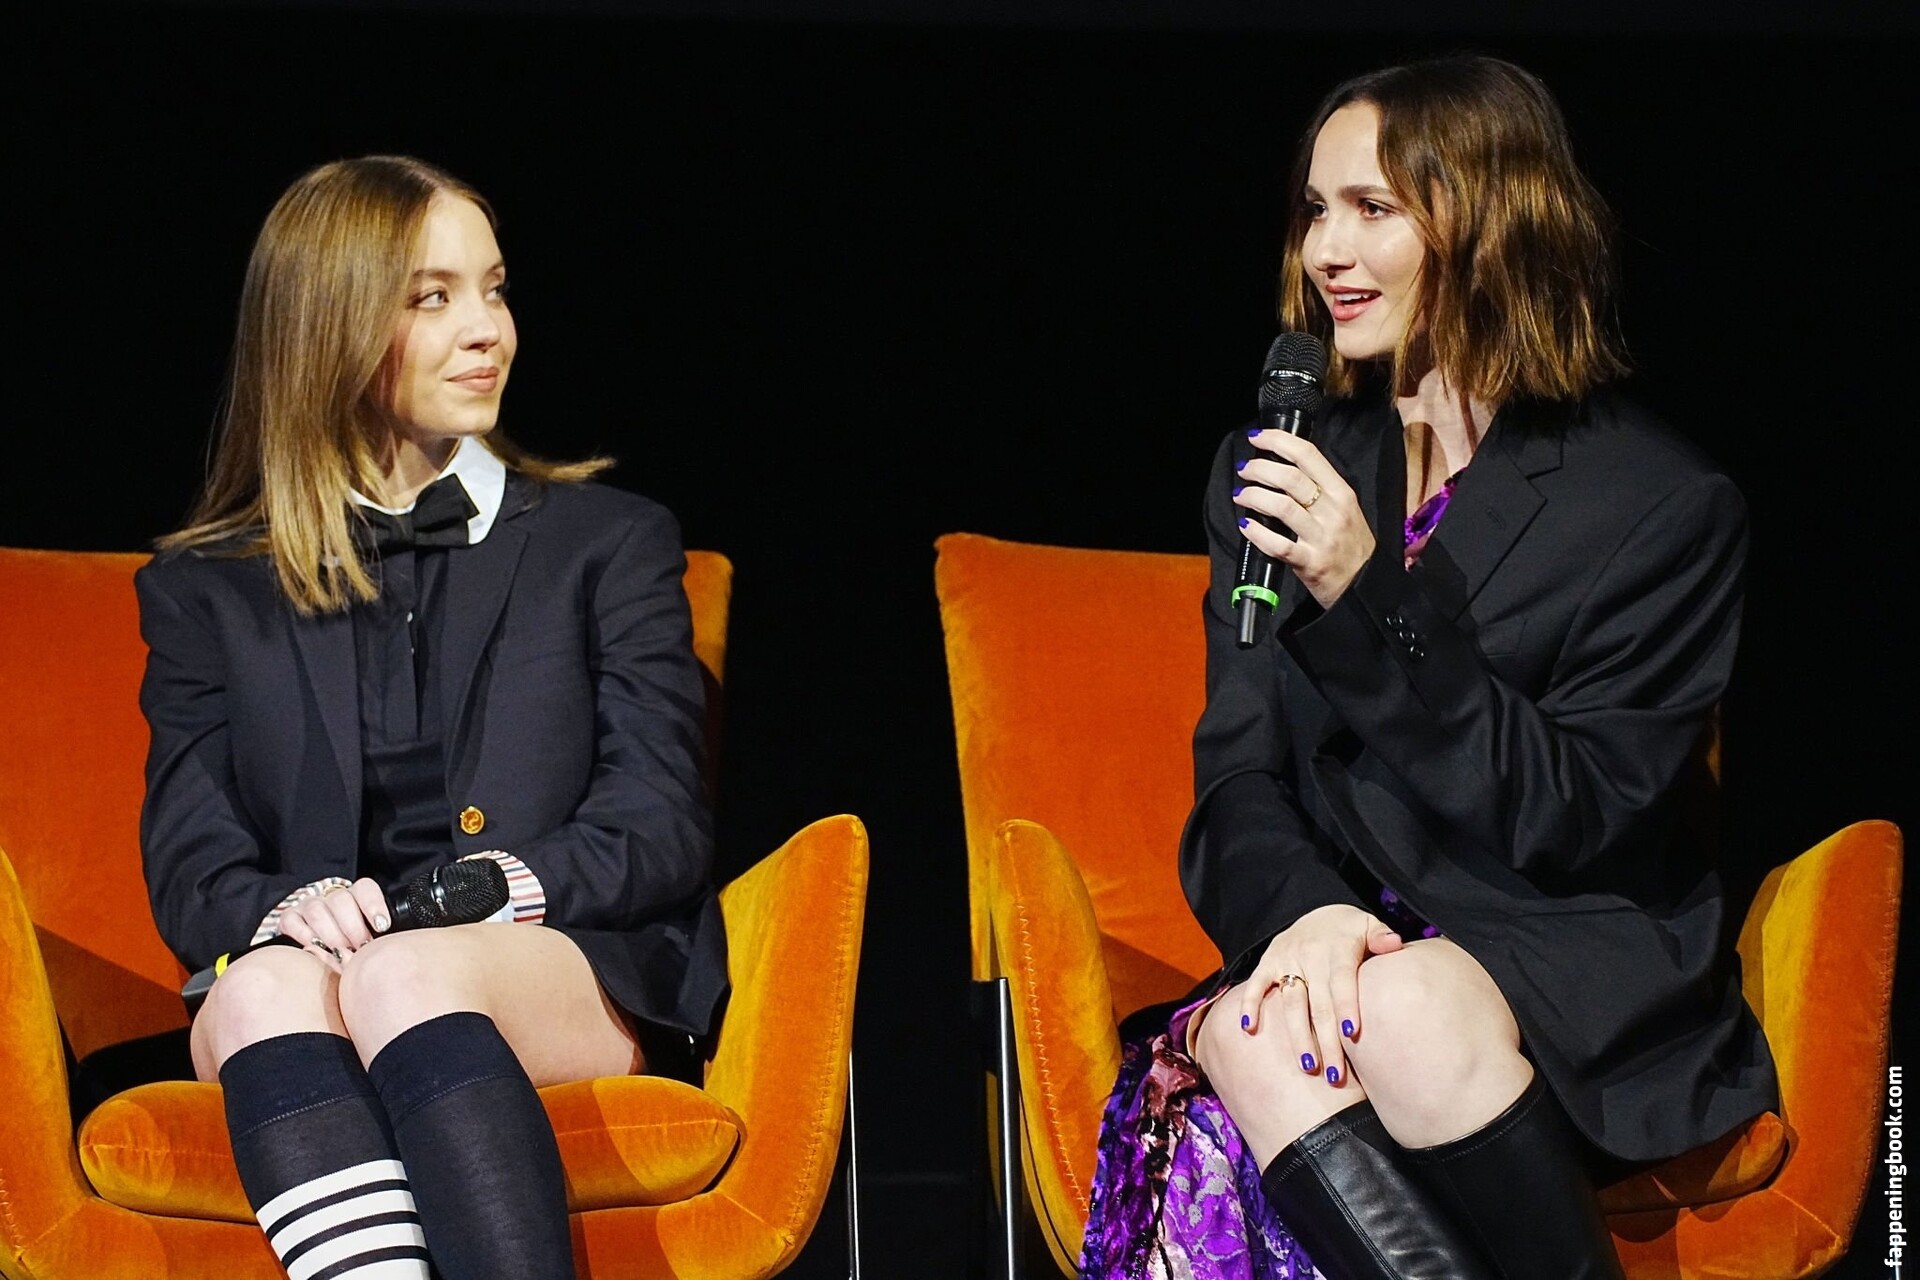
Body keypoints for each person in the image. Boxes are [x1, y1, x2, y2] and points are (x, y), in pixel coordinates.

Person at [1080, 57, 1778, 1280]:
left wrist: (1369, 593)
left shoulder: (1658, 504)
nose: (1326, 251)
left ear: (1494, 224)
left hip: (1563, 933)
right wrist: (1308, 913)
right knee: (1255, 1027)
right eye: (1315, 209)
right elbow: (1236, 770)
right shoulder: (1280, 459)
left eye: (1373, 209)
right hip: (1354, 933)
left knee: (1392, 1010)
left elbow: (1580, 812)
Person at [137, 155, 725, 1280]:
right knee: (258, 983)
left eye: (493, 289)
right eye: (432, 297)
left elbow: (657, 825)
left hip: (554, 954)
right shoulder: (207, 588)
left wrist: (492, 889)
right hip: (318, 971)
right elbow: (193, 867)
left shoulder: (606, 543)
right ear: (327, 327)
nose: (485, 330)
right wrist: (295, 910)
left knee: (403, 976)